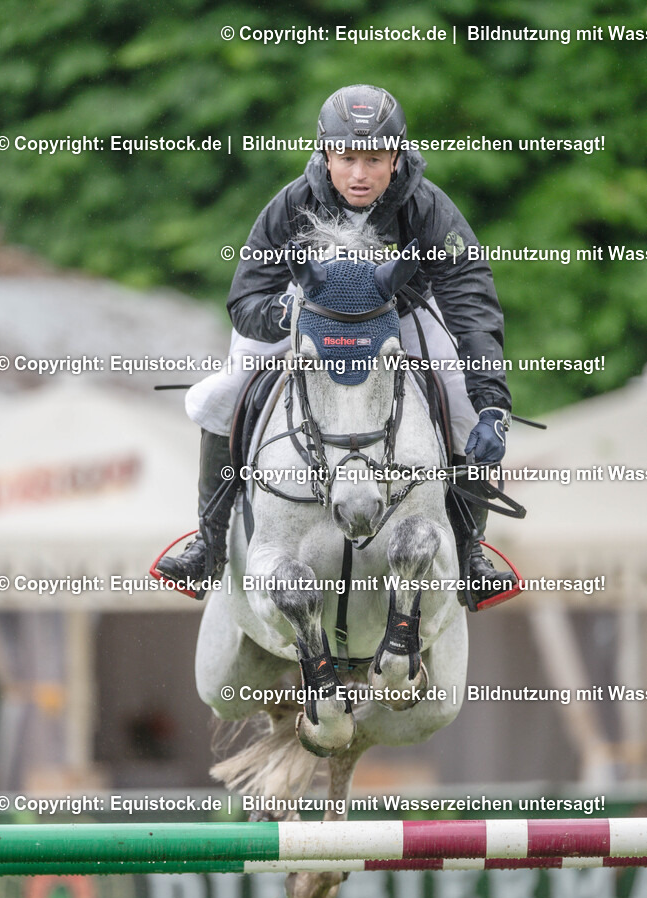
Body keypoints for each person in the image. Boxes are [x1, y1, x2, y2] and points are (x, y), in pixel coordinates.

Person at [157, 84, 516, 609]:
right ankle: (208, 545)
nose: (359, 174)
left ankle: (470, 553)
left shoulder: (428, 207)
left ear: (397, 157)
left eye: (374, 159)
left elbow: (471, 303)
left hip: (404, 315)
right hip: (305, 314)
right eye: (347, 158)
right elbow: (246, 299)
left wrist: (493, 405)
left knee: (464, 405)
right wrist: (283, 313)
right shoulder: (292, 203)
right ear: (326, 153)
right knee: (223, 393)